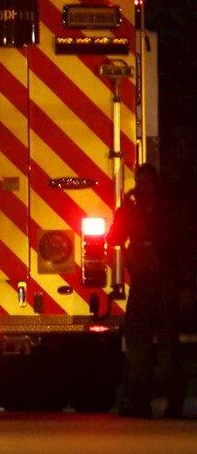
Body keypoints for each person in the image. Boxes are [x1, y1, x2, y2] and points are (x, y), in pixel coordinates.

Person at [108, 163, 184, 418]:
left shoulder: (169, 212)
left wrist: (185, 287)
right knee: (139, 347)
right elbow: (114, 239)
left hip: (165, 283)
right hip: (142, 284)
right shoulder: (132, 212)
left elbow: (183, 249)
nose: (145, 187)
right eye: (142, 182)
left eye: (148, 181)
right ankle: (140, 401)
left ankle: (171, 402)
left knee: (167, 350)